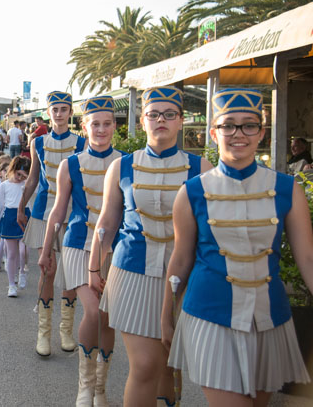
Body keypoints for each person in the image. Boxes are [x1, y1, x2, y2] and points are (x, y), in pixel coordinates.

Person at [162, 88, 313, 405]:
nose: (238, 133)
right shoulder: (192, 192)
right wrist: (166, 316)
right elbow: (180, 261)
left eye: (248, 125)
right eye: (228, 125)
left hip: (269, 320)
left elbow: (308, 259)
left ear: (261, 132)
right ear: (214, 133)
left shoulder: (287, 189)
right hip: (209, 316)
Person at [88, 87, 210, 407]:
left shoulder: (202, 169)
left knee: (170, 367)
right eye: (153, 115)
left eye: (169, 115)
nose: (161, 121)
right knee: (144, 366)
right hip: (131, 273)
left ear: (181, 122)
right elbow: (107, 222)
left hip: (185, 279)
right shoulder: (122, 167)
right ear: (142, 122)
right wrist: (93, 266)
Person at [40, 95, 123, 406]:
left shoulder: (127, 162)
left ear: (115, 126)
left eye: (106, 124)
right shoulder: (70, 164)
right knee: (93, 311)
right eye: (94, 124)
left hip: (114, 249)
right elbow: (58, 211)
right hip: (78, 245)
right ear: (84, 127)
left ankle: (100, 388)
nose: (100, 129)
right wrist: (47, 249)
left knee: (108, 317)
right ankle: (85, 388)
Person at [20, 91, 86, 356]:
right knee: (48, 269)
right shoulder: (38, 143)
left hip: (73, 215)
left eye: (63, 109)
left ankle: (65, 331)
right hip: (42, 211)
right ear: (48, 113)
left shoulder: (82, 143)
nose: (59, 114)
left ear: (70, 113)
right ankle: (43, 333)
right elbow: (33, 178)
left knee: (69, 274)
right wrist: (20, 205)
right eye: (54, 109)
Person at [0, 156, 32, 297]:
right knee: (12, 253)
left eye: (23, 175)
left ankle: (21, 272)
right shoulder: (4, 185)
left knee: (23, 251)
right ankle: (11, 285)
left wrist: (27, 180)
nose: (20, 177)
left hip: (24, 216)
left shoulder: (27, 185)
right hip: (9, 218)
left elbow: (32, 200)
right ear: (12, 170)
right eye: (18, 174)